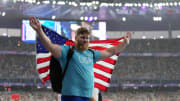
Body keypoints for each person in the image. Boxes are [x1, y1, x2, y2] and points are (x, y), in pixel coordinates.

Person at [29, 16, 131, 101]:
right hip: (71, 96)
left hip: (87, 96)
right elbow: (50, 46)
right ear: (76, 38)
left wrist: (124, 43)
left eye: (87, 38)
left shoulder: (91, 53)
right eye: (82, 37)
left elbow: (110, 51)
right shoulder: (67, 51)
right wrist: (39, 30)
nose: (85, 40)